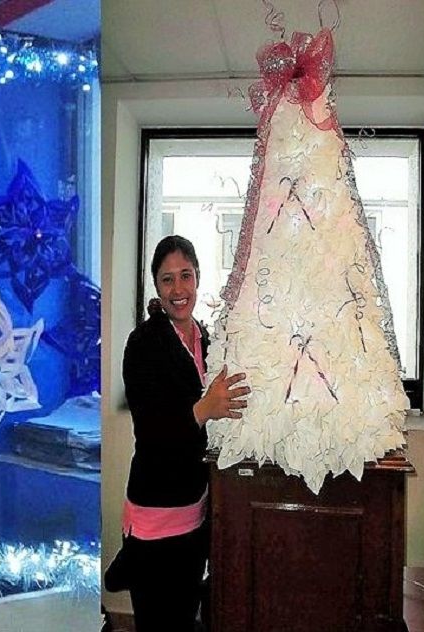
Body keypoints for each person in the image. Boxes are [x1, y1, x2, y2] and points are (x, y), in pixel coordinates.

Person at [105, 235, 250, 632]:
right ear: (156, 286)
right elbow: (152, 432)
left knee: (184, 619)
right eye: (167, 279)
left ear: (198, 278)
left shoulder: (206, 339)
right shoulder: (143, 344)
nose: (178, 288)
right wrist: (205, 408)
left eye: (186, 276)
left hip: (195, 511)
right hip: (155, 517)